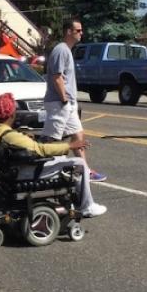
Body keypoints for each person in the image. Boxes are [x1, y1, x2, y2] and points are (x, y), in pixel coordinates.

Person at [0, 93, 106, 217]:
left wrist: (24, 137)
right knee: (79, 163)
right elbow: (41, 149)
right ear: (11, 114)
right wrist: (70, 146)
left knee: (62, 159)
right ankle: (87, 206)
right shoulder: (10, 136)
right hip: (25, 172)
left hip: (9, 171)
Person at [41, 18, 109, 186]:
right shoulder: (61, 50)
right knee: (51, 139)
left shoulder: (67, 51)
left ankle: (84, 170)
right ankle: (41, 169)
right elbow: (57, 77)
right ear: (68, 32)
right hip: (59, 103)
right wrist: (64, 99)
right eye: (78, 30)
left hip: (68, 104)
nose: (81, 33)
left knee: (78, 135)